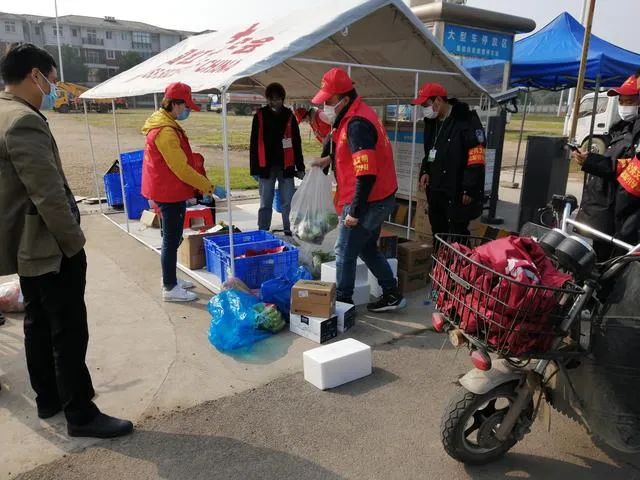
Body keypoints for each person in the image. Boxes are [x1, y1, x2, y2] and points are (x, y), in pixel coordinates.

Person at [0, 43, 132, 438]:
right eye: (52, 81)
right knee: (68, 330)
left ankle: (50, 398)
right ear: (34, 75)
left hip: (25, 246)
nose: (54, 88)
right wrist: (74, 243)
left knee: (38, 322)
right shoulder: (23, 121)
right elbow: (48, 194)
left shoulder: (4, 111)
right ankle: (80, 414)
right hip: (48, 246)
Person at [310, 68, 405, 312]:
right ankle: (392, 293)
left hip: (368, 199)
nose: (325, 106)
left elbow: (366, 173)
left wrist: (354, 211)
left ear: (343, 98)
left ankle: (344, 303)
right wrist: (328, 159)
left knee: (344, 250)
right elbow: (350, 153)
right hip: (377, 196)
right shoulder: (352, 115)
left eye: (328, 100)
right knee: (365, 247)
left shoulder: (357, 124)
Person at [142, 82, 226, 302]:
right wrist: (209, 187)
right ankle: (170, 288)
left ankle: (170, 278)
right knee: (171, 240)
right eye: (186, 106)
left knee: (171, 238)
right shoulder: (165, 132)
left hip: (167, 188)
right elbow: (181, 168)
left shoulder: (163, 123)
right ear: (174, 104)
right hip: (168, 192)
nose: (187, 110)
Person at [572, 73, 640, 258]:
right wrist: (590, 159)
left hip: (619, 216)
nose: (624, 106)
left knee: (614, 263)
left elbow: (627, 168)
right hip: (603, 208)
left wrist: (592, 162)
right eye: (621, 101)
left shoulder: (636, 132)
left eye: (629, 101)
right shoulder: (621, 128)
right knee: (598, 260)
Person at [412, 83, 486, 236]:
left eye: (426, 105)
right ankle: (439, 252)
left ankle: (458, 252)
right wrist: (425, 170)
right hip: (436, 188)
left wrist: (469, 188)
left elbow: (476, 157)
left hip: (457, 189)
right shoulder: (432, 123)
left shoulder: (466, 120)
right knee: (438, 231)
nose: (424, 109)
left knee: (458, 233)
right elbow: (430, 151)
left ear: (439, 100)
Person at [250, 83, 305, 235]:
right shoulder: (260, 116)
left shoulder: (289, 116)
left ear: (282, 99)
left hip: (286, 166)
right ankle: (263, 231)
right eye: (272, 99)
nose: (274, 102)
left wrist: (300, 167)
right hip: (265, 166)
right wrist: (254, 169)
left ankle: (289, 230)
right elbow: (254, 144)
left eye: (277, 99)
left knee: (288, 202)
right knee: (265, 202)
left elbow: (296, 142)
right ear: (267, 99)